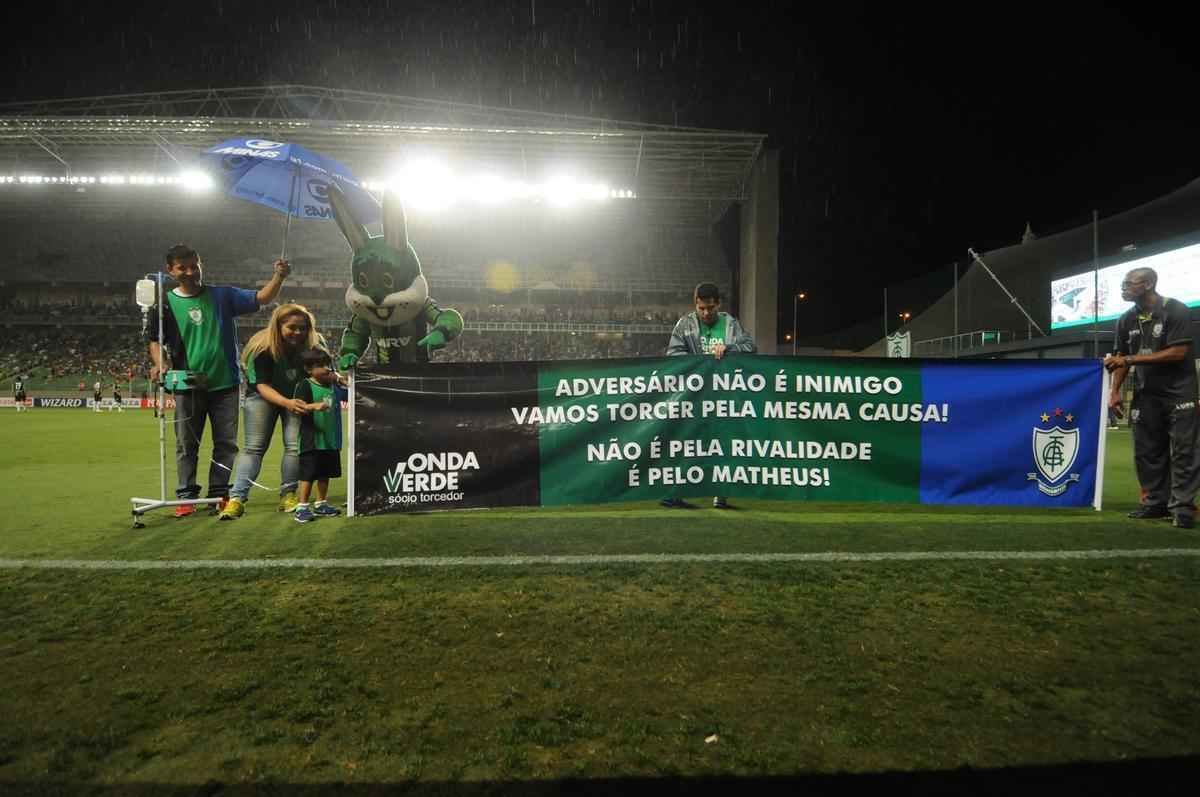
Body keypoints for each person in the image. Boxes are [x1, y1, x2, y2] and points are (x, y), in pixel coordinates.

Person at [147, 243, 290, 517]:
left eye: (194, 265)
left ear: (201, 263)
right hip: (186, 385)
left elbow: (262, 298)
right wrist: (161, 363)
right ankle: (186, 496)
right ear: (170, 270)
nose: (190, 272)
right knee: (186, 444)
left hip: (226, 384)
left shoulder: (222, 296)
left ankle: (218, 494)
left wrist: (279, 277)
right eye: (182, 267)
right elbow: (155, 340)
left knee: (226, 444)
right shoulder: (164, 304)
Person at [1104, 266, 1198, 529]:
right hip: (1146, 396)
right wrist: (1114, 393)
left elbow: (1177, 352)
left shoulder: (1175, 309)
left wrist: (1130, 358)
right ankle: (1154, 503)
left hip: (1180, 393)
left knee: (1184, 452)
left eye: (1128, 284)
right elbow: (1119, 360)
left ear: (1146, 285)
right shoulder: (1125, 319)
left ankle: (1182, 508)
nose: (1123, 288)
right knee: (1147, 452)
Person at [220, 304, 325, 521]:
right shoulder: (263, 348)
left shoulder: (314, 346)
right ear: (278, 326)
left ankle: (288, 495)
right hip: (262, 396)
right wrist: (286, 402)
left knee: (295, 447)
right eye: (292, 327)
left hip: (296, 397)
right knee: (254, 448)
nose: (298, 332)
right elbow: (261, 386)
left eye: (303, 328)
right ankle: (237, 499)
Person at [663, 282, 757, 509]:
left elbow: (751, 346)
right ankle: (675, 493)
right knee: (686, 444)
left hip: (724, 398)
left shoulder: (731, 324)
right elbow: (673, 354)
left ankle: (720, 494)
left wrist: (729, 348)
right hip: (694, 398)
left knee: (723, 444)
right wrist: (698, 362)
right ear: (695, 304)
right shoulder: (684, 325)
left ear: (719, 304)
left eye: (711, 308)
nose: (706, 313)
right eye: (702, 308)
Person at [291, 348, 348, 524]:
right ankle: (302, 506)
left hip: (331, 439)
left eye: (327, 365)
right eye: (320, 366)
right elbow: (297, 407)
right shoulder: (305, 385)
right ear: (309, 369)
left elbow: (350, 394)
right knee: (308, 474)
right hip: (312, 439)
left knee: (325, 473)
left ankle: (321, 503)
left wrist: (343, 381)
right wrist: (313, 406)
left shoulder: (333, 386)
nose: (326, 369)